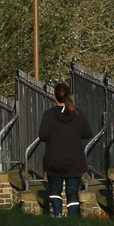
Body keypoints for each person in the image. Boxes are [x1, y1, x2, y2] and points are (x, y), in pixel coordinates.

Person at [38, 82, 93, 217]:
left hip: (54, 160)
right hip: (74, 161)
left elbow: (43, 135)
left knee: (55, 190)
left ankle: (58, 215)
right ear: (70, 96)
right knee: (72, 191)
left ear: (55, 97)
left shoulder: (49, 115)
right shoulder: (78, 114)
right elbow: (87, 133)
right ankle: (72, 217)